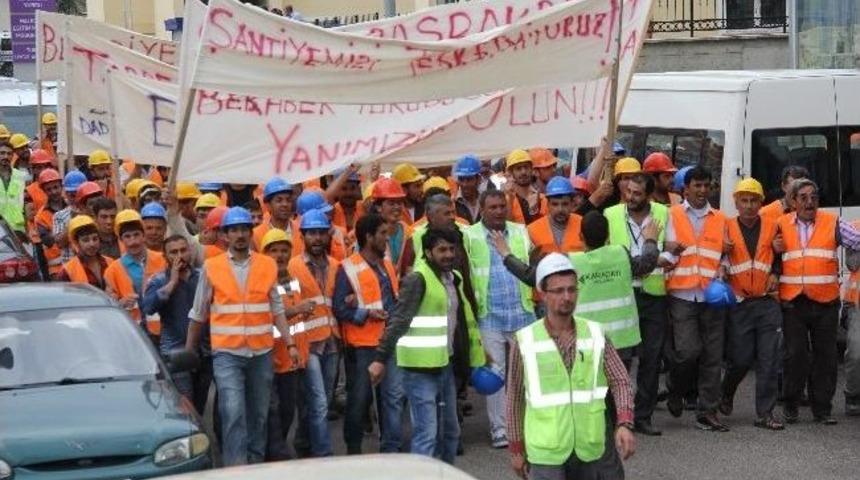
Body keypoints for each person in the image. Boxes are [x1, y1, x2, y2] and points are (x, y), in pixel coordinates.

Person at [186, 206, 300, 466]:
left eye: (244, 229)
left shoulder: (266, 264)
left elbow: (277, 308)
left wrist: (290, 344)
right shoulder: (211, 267)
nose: (239, 234)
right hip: (227, 354)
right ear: (225, 235)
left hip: (261, 352)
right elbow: (198, 312)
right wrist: (189, 351)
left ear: (251, 233)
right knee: (234, 412)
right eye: (234, 230)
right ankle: (236, 468)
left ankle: (255, 465)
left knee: (259, 414)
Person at [507, 253, 636, 480]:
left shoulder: (596, 333)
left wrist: (624, 422)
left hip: (588, 445)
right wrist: (516, 448)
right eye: (558, 291)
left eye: (571, 289)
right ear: (542, 295)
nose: (567, 297)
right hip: (546, 450)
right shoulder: (525, 340)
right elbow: (515, 397)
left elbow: (620, 380)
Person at [368, 228, 487, 465]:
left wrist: (479, 353)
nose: (448, 254)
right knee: (427, 435)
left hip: (445, 365)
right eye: (442, 249)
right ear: (429, 252)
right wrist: (380, 359)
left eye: (452, 249)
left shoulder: (454, 278)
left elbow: (462, 322)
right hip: (418, 369)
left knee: (451, 433)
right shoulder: (417, 279)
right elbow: (398, 320)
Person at [777, 179, 860, 425]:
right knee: (796, 356)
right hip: (794, 302)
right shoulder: (780, 225)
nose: (809, 202)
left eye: (813, 197)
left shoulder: (832, 222)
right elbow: (766, 251)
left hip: (825, 302)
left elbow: (857, 239)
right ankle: (791, 404)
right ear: (793, 202)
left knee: (826, 358)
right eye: (803, 197)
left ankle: (822, 409)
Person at [464, 189, 536, 448]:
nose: (498, 211)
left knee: (527, 373)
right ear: (482, 209)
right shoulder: (469, 236)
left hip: (521, 311)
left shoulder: (519, 231)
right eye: (492, 207)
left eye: (501, 206)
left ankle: (528, 426)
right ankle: (500, 430)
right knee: (495, 376)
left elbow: (529, 262)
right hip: (489, 315)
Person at [662, 165, 730, 432]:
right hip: (682, 294)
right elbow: (662, 250)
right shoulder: (671, 215)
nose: (703, 191)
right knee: (688, 352)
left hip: (712, 296)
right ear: (685, 189)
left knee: (713, 356)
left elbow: (724, 253)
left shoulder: (720, 218)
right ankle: (676, 389)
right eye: (697, 186)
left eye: (706, 185)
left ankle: (708, 411)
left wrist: (723, 268)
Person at [603, 173, 670, 436]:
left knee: (651, 359)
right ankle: (619, 415)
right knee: (620, 359)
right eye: (628, 192)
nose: (630, 198)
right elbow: (605, 252)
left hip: (653, 296)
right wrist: (643, 261)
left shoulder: (664, 214)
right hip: (623, 295)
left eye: (637, 194)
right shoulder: (610, 214)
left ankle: (643, 416)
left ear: (649, 196)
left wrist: (655, 259)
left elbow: (671, 250)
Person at [333, 214, 404, 455]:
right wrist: (367, 314)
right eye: (383, 234)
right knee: (360, 400)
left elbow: (393, 299)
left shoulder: (385, 265)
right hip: (363, 346)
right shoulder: (348, 268)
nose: (387, 238)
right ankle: (354, 450)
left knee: (393, 397)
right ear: (368, 236)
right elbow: (340, 308)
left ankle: (391, 447)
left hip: (388, 341)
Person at [718, 178, 784, 430]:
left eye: (753, 200)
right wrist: (721, 269)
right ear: (735, 202)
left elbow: (781, 256)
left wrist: (776, 272)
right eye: (743, 201)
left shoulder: (772, 225)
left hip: (767, 303)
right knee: (741, 359)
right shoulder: (726, 227)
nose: (748, 206)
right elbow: (720, 256)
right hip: (739, 302)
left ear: (761, 202)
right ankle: (727, 390)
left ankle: (764, 413)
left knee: (770, 358)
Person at [287, 209, 341, 457]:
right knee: (319, 402)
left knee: (322, 400)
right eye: (312, 234)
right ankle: (323, 456)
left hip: (332, 341)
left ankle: (303, 441)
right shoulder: (293, 267)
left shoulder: (336, 266)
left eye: (321, 233)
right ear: (303, 236)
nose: (317, 238)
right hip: (307, 343)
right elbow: (288, 306)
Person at [259, 228, 314, 461]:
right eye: (274, 251)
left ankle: (276, 451)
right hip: (269, 359)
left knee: (287, 411)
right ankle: (274, 455)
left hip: (292, 360)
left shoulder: (294, 281)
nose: (280, 255)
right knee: (271, 413)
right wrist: (297, 310)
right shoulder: (260, 282)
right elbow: (267, 316)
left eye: (284, 250)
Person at [142, 235, 201, 397]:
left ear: (190, 251)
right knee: (185, 401)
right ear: (165, 256)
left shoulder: (202, 277)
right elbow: (148, 307)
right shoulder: (159, 280)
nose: (179, 256)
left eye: (183, 250)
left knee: (204, 403)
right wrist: (173, 283)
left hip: (204, 349)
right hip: (175, 351)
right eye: (173, 252)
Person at [104, 209, 167, 339]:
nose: (133, 241)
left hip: (164, 328)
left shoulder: (163, 259)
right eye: (127, 236)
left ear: (143, 235)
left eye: (136, 235)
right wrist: (121, 302)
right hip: (132, 332)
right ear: (121, 240)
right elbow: (109, 305)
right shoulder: (112, 270)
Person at [527, 176, 584, 255]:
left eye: (565, 204)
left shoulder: (584, 225)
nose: (560, 209)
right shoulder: (531, 230)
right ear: (548, 205)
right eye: (555, 204)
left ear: (572, 204)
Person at [371, 177, 412, 274]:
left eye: (399, 203)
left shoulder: (409, 232)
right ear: (378, 207)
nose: (397, 207)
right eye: (391, 203)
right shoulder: (369, 235)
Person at [58, 215, 110, 288]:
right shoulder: (67, 271)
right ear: (76, 243)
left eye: (95, 239)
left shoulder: (110, 262)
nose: (92, 244)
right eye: (86, 240)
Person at [33, 168, 66, 278]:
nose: (54, 192)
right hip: (56, 268)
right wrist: (66, 230)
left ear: (61, 186)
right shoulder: (40, 216)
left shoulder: (71, 207)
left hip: (76, 262)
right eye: (49, 189)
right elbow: (48, 241)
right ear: (44, 191)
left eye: (56, 187)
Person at [52, 170, 88, 264]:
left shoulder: (93, 212)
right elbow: (60, 243)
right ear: (66, 194)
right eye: (72, 195)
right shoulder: (59, 216)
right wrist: (73, 221)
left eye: (79, 194)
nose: (76, 198)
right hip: (70, 265)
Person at [253, 177, 298, 251]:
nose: (285, 204)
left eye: (288, 200)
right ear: (268, 205)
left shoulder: (301, 230)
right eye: (279, 200)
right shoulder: (256, 235)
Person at [843, 221, 860, 416]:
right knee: (856, 353)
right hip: (857, 302)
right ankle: (853, 393)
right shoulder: (854, 228)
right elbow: (852, 263)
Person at [505, 149, 547, 225]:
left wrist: (535, 210)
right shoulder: (506, 200)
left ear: (531, 169)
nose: (523, 172)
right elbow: (507, 228)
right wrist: (509, 203)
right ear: (511, 172)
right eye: (518, 168)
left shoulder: (543, 199)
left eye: (526, 167)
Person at [328, 166, 365, 232]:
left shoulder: (364, 207)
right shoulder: (332, 211)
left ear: (358, 189)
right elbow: (327, 196)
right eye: (344, 189)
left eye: (353, 188)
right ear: (337, 191)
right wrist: (348, 172)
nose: (349, 193)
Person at [0, 140, 26, 232]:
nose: (5, 156)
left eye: (9, 154)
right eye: (2, 153)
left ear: (12, 156)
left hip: (17, 228)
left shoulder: (21, 176)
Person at [453, 154, 483, 224]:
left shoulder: (486, 200)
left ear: (478, 179)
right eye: (461, 179)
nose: (464, 184)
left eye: (469, 179)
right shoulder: (453, 203)